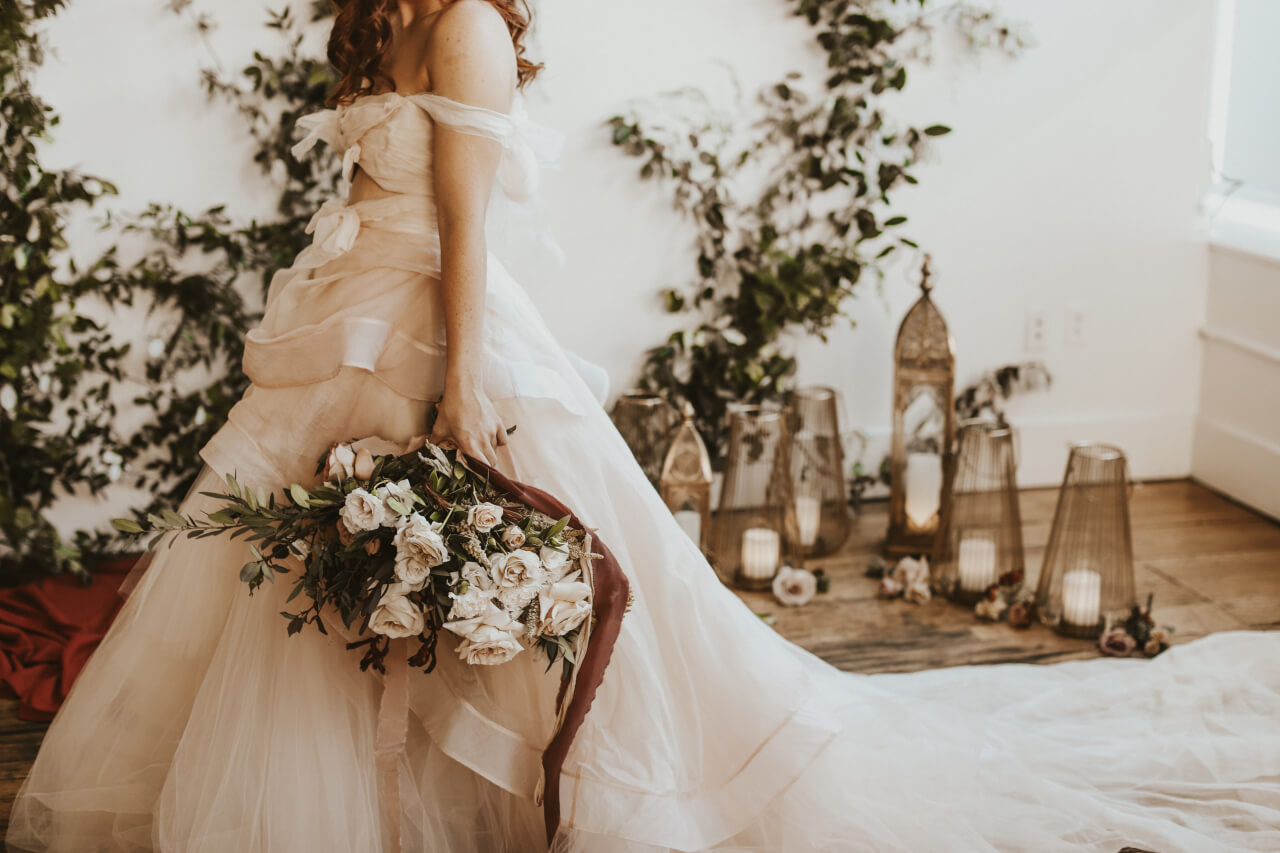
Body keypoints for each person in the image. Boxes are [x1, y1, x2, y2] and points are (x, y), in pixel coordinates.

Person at [7, 1, 1279, 851]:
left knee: (453, 568)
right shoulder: (381, 18)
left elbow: (468, 224)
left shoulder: (463, 28)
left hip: (436, 328)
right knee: (308, 567)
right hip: (346, 314)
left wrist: (456, 392)